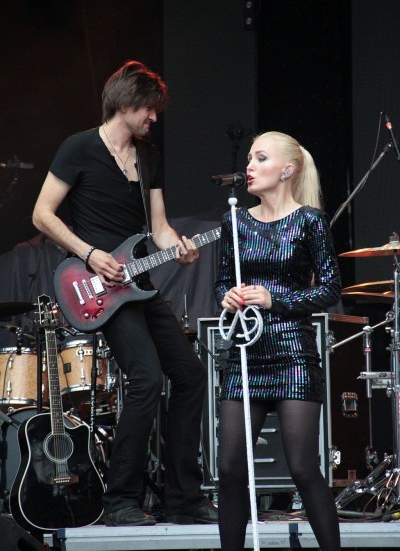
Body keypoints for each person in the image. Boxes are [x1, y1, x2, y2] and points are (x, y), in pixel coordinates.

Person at [32, 60, 218, 527]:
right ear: (126, 102)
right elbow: (42, 214)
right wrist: (90, 253)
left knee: (191, 375)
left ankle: (183, 498)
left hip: (139, 285)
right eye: (149, 109)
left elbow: (158, 227)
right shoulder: (78, 148)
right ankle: (119, 501)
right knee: (146, 379)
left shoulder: (149, 155)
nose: (154, 117)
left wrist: (179, 246)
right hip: (96, 285)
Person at [215, 131, 342, 551]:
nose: (249, 166)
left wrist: (276, 299)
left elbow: (330, 289)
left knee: (303, 468)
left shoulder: (310, 220)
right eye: (249, 158)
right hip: (245, 354)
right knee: (229, 468)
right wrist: (228, 296)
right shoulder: (234, 220)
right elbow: (221, 282)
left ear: (287, 170)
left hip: (292, 354)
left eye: (260, 158)